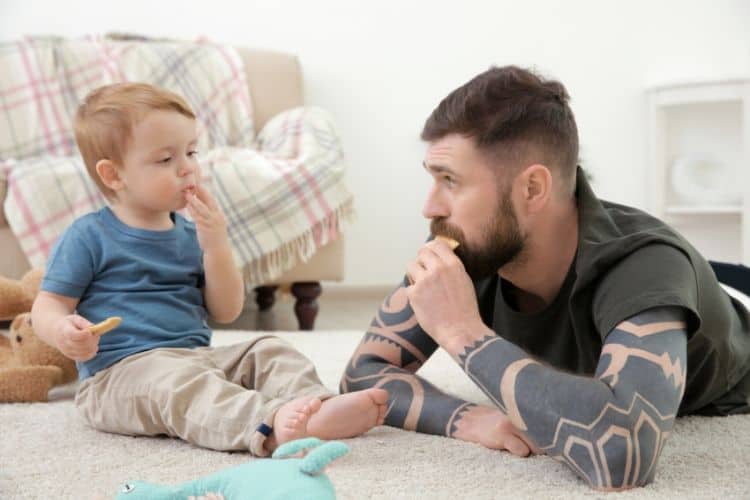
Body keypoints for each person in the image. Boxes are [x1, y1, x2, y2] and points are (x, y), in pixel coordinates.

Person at [340, 66, 750, 490]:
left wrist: (462, 332)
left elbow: (621, 457)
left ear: (532, 189)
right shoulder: (473, 241)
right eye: (433, 177)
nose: (430, 207)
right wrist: (466, 419)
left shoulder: (645, 265)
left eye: (450, 180)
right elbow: (363, 373)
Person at [31, 82, 387, 457]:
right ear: (114, 175)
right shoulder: (89, 235)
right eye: (166, 160)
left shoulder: (191, 235)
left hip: (195, 358)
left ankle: (315, 404)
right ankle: (271, 425)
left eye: (191, 152)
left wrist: (215, 244)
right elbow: (48, 304)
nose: (187, 168)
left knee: (267, 348)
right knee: (183, 385)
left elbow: (226, 310)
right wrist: (61, 329)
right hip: (119, 376)